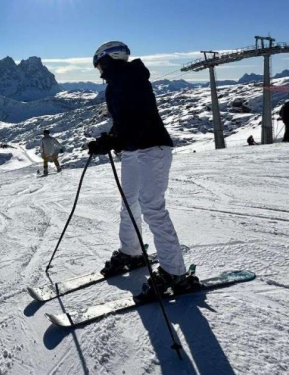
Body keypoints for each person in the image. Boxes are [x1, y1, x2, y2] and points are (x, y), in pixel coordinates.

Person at [87, 41, 189, 298]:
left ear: (109, 59)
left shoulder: (132, 79)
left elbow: (142, 118)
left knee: (151, 206)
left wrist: (116, 140)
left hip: (152, 148)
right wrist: (108, 139)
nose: (99, 71)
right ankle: (131, 251)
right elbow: (125, 122)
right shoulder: (117, 84)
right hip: (133, 150)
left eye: (99, 64)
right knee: (129, 201)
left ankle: (174, 271)